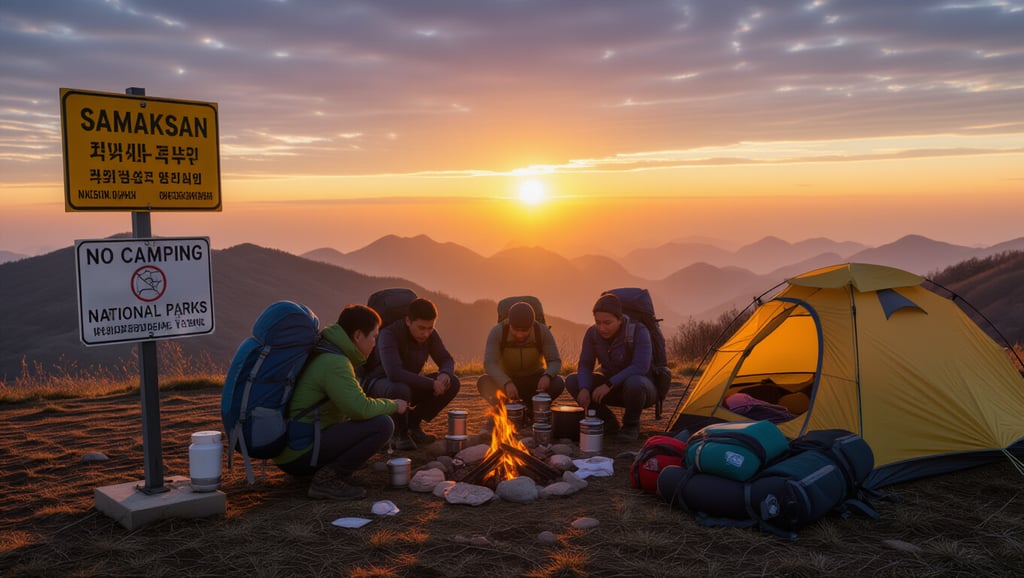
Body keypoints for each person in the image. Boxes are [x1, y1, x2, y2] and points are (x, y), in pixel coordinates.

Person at [273, 304, 407, 501]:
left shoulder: (326, 350)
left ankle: (331, 473)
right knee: (382, 425)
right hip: (301, 451)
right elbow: (359, 409)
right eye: (373, 337)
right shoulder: (334, 362)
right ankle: (327, 481)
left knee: (364, 423)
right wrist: (394, 404)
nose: (374, 344)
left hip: (294, 445)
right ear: (358, 335)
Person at [361, 297, 461, 450]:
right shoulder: (389, 334)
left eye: (430, 328)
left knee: (452, 383)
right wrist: (432, 383)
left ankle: (413, 424)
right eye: (421, 328)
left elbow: (445, 359)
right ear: (408, 321)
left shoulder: (430, 334)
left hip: (406, 384)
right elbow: (394, 373)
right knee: (401, 389)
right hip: (379, 384)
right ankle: (399, 434)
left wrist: (445, 374)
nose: (426, 333)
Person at [565, 292, 657, 441]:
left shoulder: (639, 331)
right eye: (598, 322)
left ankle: (631, 426)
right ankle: (607, 422)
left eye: (607, 323)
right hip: (612, 387)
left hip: (641, 389)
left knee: (635, 382)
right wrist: (584, 388)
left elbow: (640, 366)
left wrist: (609, 383)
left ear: (619, 319)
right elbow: (585, 364)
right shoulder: (592, 334)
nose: (602, 328)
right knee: (572, 380)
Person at [477, 301, 565, 428]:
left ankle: (532, 410)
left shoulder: (542, 331)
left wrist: (547, 375)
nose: (519, 334)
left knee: (558, 383)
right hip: (507, 380)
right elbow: (490, 363)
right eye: (515, 329)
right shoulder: (498, 332)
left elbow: (554, 360)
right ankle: (504, 411)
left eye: (524, 330)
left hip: (534, 380)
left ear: (532, 325)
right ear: (509, 323)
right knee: (483, 382)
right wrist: (506, 383)